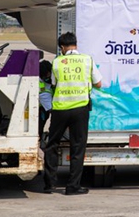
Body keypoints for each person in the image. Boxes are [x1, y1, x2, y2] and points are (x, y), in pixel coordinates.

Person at [43, 32, 102, 195]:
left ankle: (49, 184)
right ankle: (72, 186)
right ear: (75, 45)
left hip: (60, 109)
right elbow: (99, 83)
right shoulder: (87, 60)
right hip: (80, 109)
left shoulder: (56, 62)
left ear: (62, 47)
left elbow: (54, 84)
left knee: (52, 144)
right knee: (77, 147)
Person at [39, 59, 54, 137]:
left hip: (42, 109)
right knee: (39, 131)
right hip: (40, 112)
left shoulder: (41, 81)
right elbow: (51, 109)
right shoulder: (43, 90)